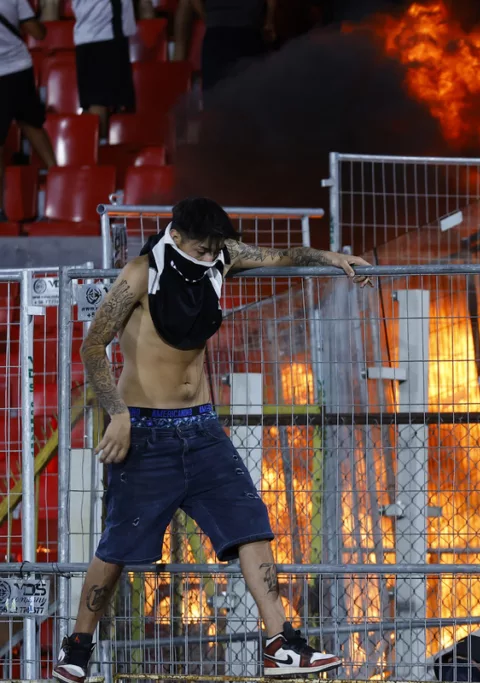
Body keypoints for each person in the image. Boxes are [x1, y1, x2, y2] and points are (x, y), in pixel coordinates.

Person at [53, 197, 373, 683]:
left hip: (201, 428)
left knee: (251, 524)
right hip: (145, 430)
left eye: (215, 251)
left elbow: (280, 255)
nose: (209, 258)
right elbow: (93, 344)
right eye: (201, 249)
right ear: (177, 236)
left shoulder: (220, 257)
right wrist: (116, 414)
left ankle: (281, 644)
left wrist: (331, 258)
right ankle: (78, 647)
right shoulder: (141, 273)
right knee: (118, 546)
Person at [0, 0, 56, 221]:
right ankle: (58, 182)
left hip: (10, 71)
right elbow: (37, 32)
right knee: (32, 126)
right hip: (18, 69)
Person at [72, 0, 137, 137]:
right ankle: (98, 153)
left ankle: (92, 152)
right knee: (99, 103)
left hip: (92, 35)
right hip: (105, 34)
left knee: (96, 103)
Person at [190, 0, 276, 99]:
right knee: (251, 99)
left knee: (215, 101)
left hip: (217, 33)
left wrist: (208, 18)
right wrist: (270, 22)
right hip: (249, 31)